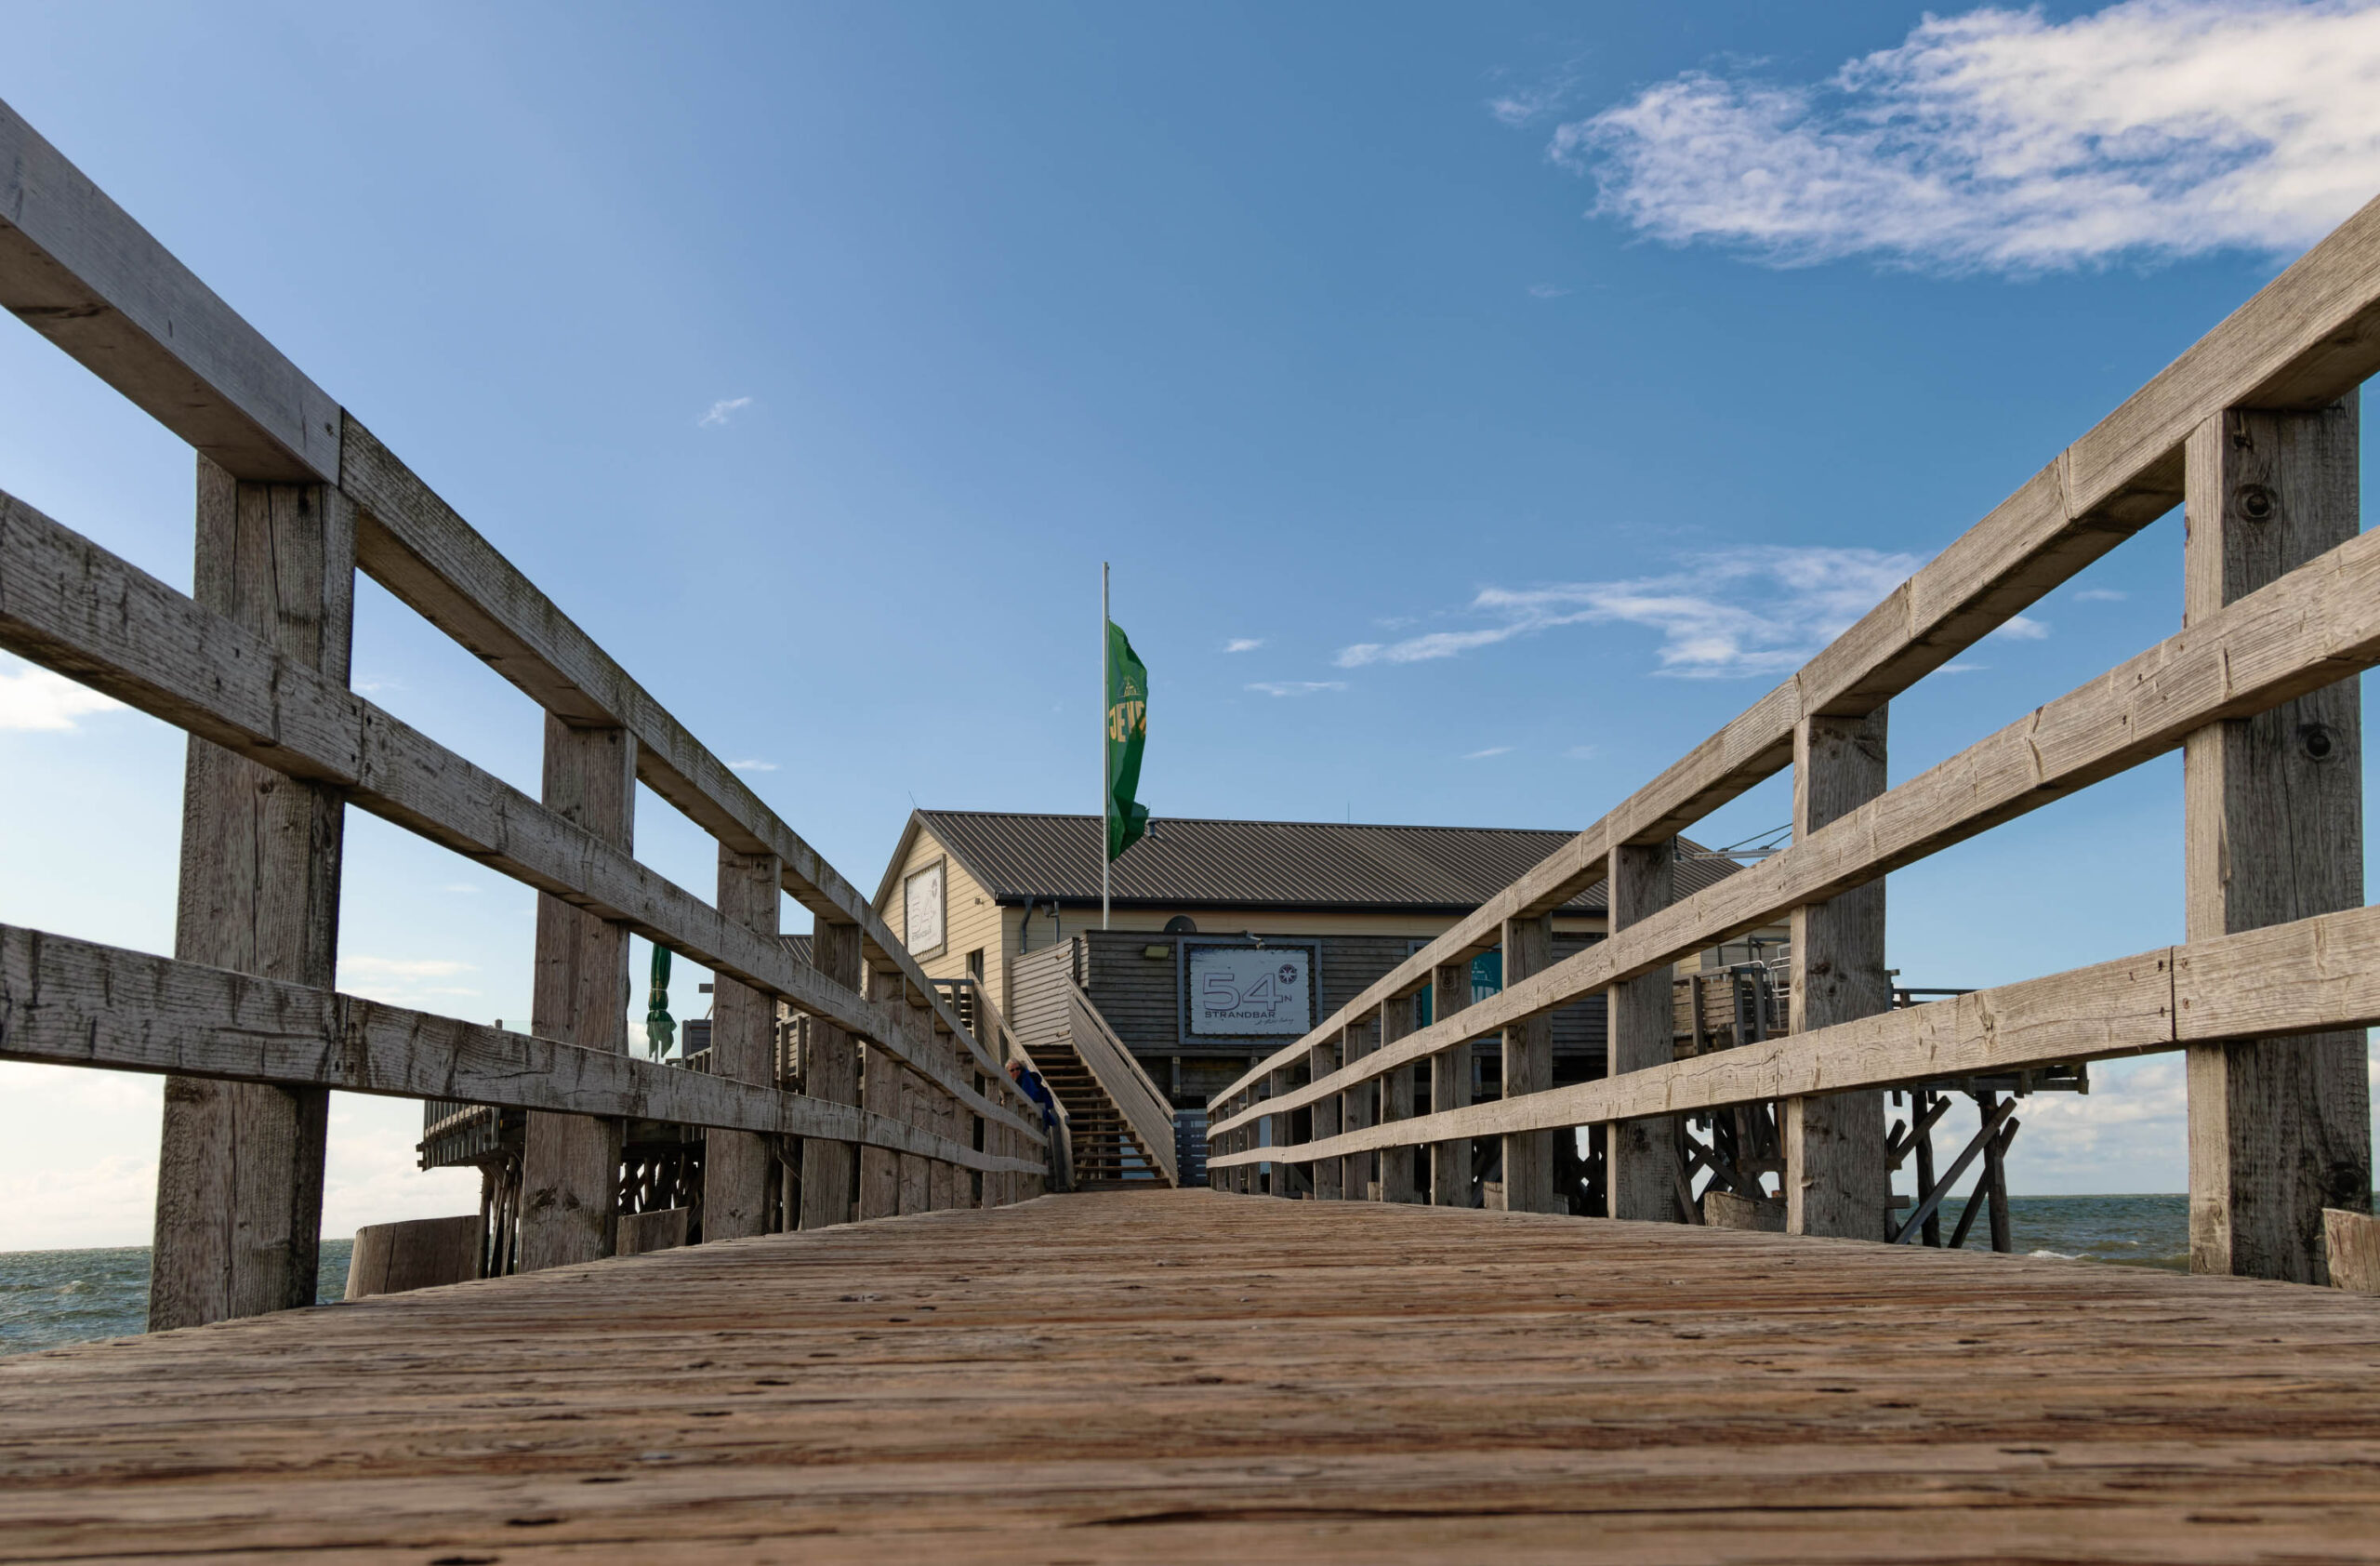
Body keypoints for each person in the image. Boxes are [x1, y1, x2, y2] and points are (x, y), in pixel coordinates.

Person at [1007, 1058, 1058, 1130]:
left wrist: (1008, 1101)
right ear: (1008, 1072)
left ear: (1021, 1069)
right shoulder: (1017, 1081)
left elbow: (1027, 1097)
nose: (1015, 1071)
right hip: (1035, 1113)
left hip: (1036, 1113)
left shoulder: (1026, 1079)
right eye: (1012, 1070)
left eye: (1017, 1069)